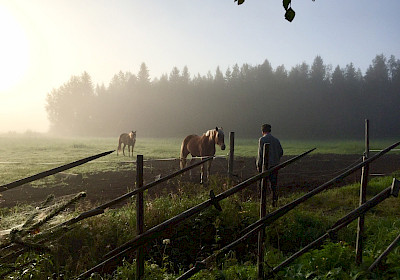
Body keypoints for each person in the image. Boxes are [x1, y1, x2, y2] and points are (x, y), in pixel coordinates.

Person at [256, 124, 283, 207]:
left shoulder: (262, 140)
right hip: (274, 166)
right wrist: (276, 159)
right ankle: (274, 202)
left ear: (262, 131)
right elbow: (281, 152)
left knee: (262, 185)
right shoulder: (276, 140)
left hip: (265, 167)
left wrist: (258, 165)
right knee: (273, 185)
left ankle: (262, 203)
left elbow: (260, 154)